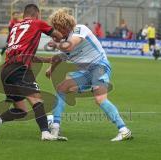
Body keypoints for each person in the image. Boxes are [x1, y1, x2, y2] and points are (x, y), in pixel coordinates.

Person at [46, 9, 132, 142]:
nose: (54, 33)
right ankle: (55, 128)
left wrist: (56, 45)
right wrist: (51, 68)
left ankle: (124, 130)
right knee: (61, 88)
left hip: (99, 66)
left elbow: (69, 47)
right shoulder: (64, 40)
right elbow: (61, 56)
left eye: (56, 29)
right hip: (84, 71)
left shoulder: (79, 29)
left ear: (62, 27)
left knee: (100, 99)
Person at [0, 4, 65, 141]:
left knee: (22, 110)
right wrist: (62, 40)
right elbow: (58, 36)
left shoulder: (15, 27)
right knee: (36, 100)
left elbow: (22, 53)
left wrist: (47, 60)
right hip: (21, 69)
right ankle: (45, 133)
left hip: (6, 70)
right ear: (37, 14)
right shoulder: (37, 23)